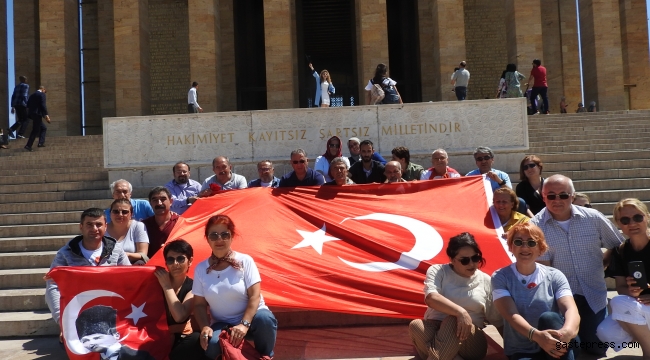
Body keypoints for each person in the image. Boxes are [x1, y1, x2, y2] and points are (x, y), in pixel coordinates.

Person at [530, 174, 624, 356]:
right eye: (551, 196)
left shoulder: (593, 218)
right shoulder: (536, 227)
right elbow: (544, 271)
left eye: (563, 195)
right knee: (569, 347)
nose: (557, 200)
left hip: (593, 295)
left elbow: (617, 244)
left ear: (572, 196)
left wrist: (604, 263)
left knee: (597, 349)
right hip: (560, 301)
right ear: (543, 197)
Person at [492, 222, 580, 360]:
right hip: (522, 348)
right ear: (511, 247)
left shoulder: (555, 275)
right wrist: (537, 336)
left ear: (541, 249)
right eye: (518, 242)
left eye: (531, 242)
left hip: (557, 340)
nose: (525, 247)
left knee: (549, 317)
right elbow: (511, 314)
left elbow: (570, 309)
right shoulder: (500, 277)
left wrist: (567, 332)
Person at [194, 215, 277, 360]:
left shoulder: (246, 261)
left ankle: (265, 357)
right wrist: (204, 327)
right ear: (207, 239)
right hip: (222, 323)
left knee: (265, 319)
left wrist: (244, 325)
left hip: (252, 321)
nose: (219, 239)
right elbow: (199, 305)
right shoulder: (201, 268)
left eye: (225, 234)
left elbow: (254, 296)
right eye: (214, 235)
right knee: (211, 345)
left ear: (232, 237)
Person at [409, 232, 501, 360]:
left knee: (452, 321)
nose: (472, 264)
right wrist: (461, 312)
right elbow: (431, 298)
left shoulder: (485, 280)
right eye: (465, 260)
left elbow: (498, 320)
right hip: (436, 330)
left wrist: (514, 350)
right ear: (452, 260)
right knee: (416, 325)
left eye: (475, 258)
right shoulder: (438, 271)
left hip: (470, 342)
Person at [45, 208, 131, 327]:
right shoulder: (65, 254)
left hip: (112, 310)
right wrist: (62, 320)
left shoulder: (116, 250)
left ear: (105, 226)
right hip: (78, 313)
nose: (94, 229)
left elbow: (130, 278)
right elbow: (53, 286)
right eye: (89, 224)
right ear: (81, 227)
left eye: (98, 224)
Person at [596, 199, 650, 357]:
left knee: (618, 303)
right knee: (605, 331)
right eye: (625, 220)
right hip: (641, 305)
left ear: (647, 217)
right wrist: (631, 291)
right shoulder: (620, 251)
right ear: (618, 223)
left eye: (638, 217)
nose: (632, 223)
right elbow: (620, 287)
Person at [154, 239, 207, 360]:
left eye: (180, 258)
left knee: (196, 339)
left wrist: (167, 287)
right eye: (170, 259)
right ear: (166, 263)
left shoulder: (194, 287)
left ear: (190, 261)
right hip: (152, 336)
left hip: (180, 340)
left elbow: (180, 316)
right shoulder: (155, 280)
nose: (175, 263)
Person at [76, 305, 155, 360]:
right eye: (85, 340)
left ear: (116, 335)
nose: (91, 343)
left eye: (97, 337)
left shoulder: (141, 356)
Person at [105, 198, 150, 264]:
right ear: (110, 213)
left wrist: (123, 255)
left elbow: (143, 254)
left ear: (131, 214)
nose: (120, 214)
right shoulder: (103, 228)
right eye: (116, 211)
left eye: (124, 212)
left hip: (131, 268)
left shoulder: (138, 226)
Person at [143, 187, 179, 258]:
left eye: (163, 199)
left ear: (171, 201)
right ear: (150, 203)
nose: (159, 203)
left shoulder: (181, 223)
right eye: (155, 200)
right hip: (150, 266)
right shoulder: (143, 225)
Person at [24, 86, 50, 151]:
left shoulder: (32, 95)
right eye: (45, 91)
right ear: (43, 89)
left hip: (32, 114)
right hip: (38, 114)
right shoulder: (42, 94)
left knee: (43, 128)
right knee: (35, 130)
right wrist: (46, 115)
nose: (45, 93)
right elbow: (43, 105)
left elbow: (28, 105)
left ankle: (41, 143)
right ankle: (28, 145)